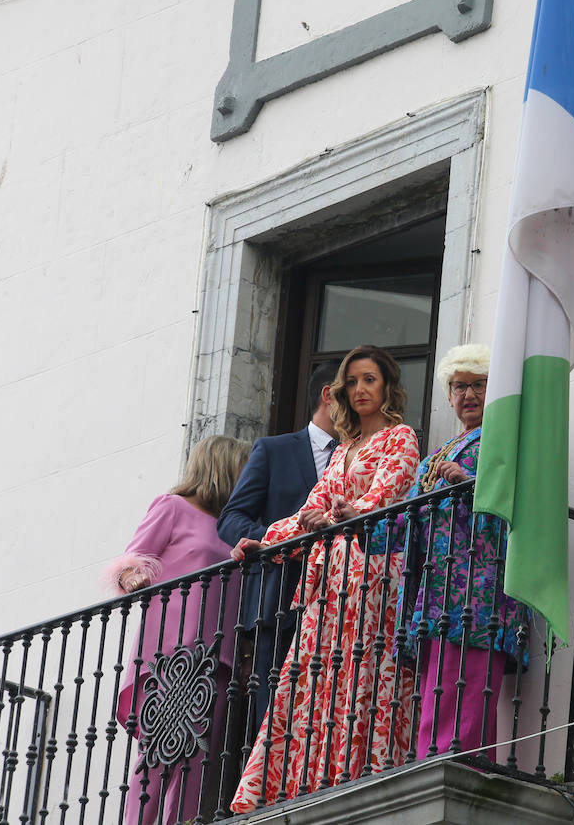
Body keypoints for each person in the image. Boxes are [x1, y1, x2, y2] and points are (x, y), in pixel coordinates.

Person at [229, 345, 421, 813]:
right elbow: (308, 512)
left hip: (371, 568)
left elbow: (387, 496)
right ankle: (303, 781)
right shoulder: (343, 450)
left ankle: (359, 771)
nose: (359, 389)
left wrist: (347, 515)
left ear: (387, 387)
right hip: (328, 577)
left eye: (369, 379)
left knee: (362, 674)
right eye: (352, 381)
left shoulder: (401, 439)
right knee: (312, 680)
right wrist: (265, 542)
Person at [368, 344, 529, 759]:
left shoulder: (507, 439)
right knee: (438, 691)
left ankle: (461, 768)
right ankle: (431, 766)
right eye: (459, 387)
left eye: (478, 385)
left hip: (481, 590)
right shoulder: (436, 456)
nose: (468, 395)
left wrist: (468, 481)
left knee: (470, 691)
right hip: (436, 595)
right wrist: (362, 522)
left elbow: (519, 501)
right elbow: (406, 522)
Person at [106, 434, 251, 825]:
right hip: (175, 653)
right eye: (244, 470)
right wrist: (133, 577)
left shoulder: (234, 527)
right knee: (159, 755)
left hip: (219, 658)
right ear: (222, 468)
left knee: (200, 761)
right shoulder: (173, 507)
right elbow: (129, 563)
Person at [218, 361, 339, 731]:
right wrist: (278, 536)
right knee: (273, 716)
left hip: (338, 600)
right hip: (278, 598)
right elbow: (232, 517)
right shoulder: (274, 450)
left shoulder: (359, 454)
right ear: (329, 395)